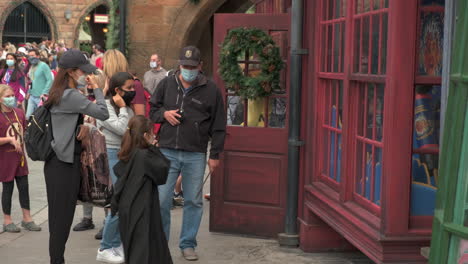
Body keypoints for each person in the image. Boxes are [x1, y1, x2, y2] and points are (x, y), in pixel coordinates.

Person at [150, 46, 226, 261]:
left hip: (195, 153)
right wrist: (164, 114)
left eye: (192, 67)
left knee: (193, 201)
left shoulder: (211, 89)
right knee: (162, 199)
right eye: (185, 66)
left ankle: (188, 244)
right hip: (167, 151)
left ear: (200, 66)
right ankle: (160, 242)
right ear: (179, 64)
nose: (188, 70)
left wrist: (215, 154)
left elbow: (219, 125)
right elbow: (152, 110)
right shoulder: (166, 83)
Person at [44, 49, 109, 264]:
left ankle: (57, 259)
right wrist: (98, 89)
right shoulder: (70, 95)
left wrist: (81, 125)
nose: (86, 75)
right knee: (62, 220)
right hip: (63, 164)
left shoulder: (60, 91)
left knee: (57, 218)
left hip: (57, 162)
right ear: (71, 72)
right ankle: (57, 261)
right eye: (83, 71)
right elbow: (103, 112)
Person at [111, 115, 173, 264]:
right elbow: (162, 173)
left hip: (128, 208)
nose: (154, 136)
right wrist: (153, 147)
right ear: (146, 135)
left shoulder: (128, 152)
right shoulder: (144, 156)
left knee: (134, 250)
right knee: (144, 251)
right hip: (142, 208)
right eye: (152, 134)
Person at [96, 72, 135, 264]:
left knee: (125, 202)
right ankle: (105, 247)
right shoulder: (105, 107)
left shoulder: (126, 107)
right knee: (118, 202)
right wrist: (122, 109)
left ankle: (116, 243)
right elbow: (122, 128)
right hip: (112, 154)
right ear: (117, 90)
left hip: (126, 154)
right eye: (129, 88)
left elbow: (133, 129)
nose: (133, 92)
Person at [0, 84, 41, 233]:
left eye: (12, 95)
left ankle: (27, 218)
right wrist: (9, 140)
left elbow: (24, 132)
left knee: (24, 187)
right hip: (5, 158)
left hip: (20, 158)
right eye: (7, 96)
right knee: (8, 188)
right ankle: (7, 220)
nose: (11, 98)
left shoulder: (19, 113)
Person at [25, 49, 53, 119]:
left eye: (32, 55)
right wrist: (29, 92)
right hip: (32, 96)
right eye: (29, 56)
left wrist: (44, 92)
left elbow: (50, 80)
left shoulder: (44, 65)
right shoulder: (31, 67)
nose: (31, 57)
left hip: (41, 97)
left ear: (38, 56)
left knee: (40, 118)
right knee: (28, 117)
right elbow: (31, 81)